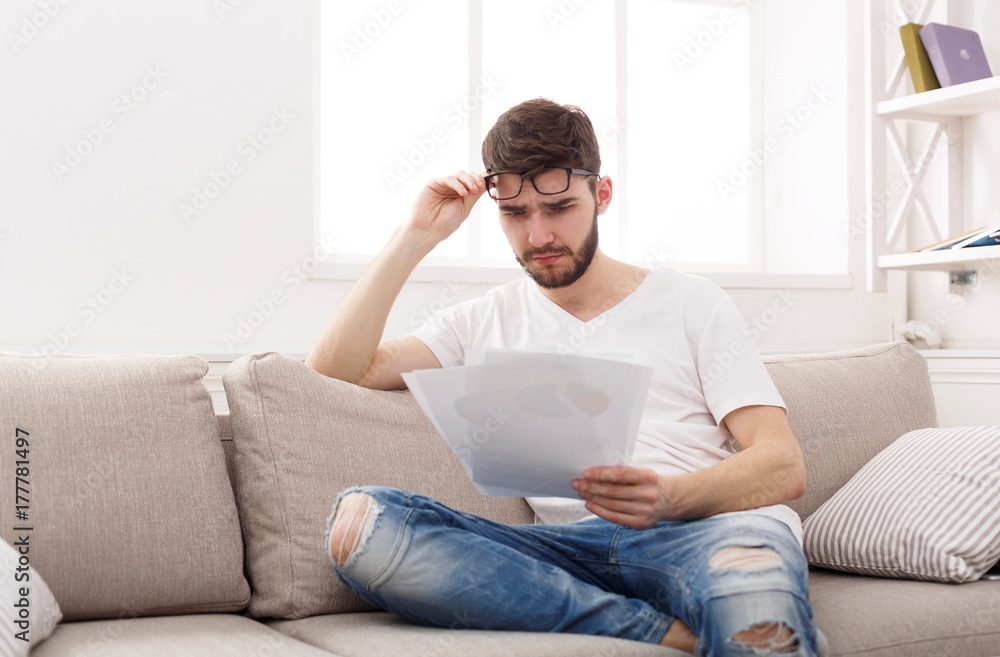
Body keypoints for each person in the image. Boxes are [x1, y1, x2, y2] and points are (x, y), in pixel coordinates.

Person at [306, 98, 824, 656]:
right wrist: (415, 236)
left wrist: (672, 497)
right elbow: (340, 369)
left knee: (759, 624)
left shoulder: (691, 302)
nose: (538, 237)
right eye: (516, 214)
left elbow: (782, 464)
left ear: (601, 195)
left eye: (558, 208)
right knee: (364, 526)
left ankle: (669, 622)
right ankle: (657, 631)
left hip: (711, 531)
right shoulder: (481, 319)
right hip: (569, 549)